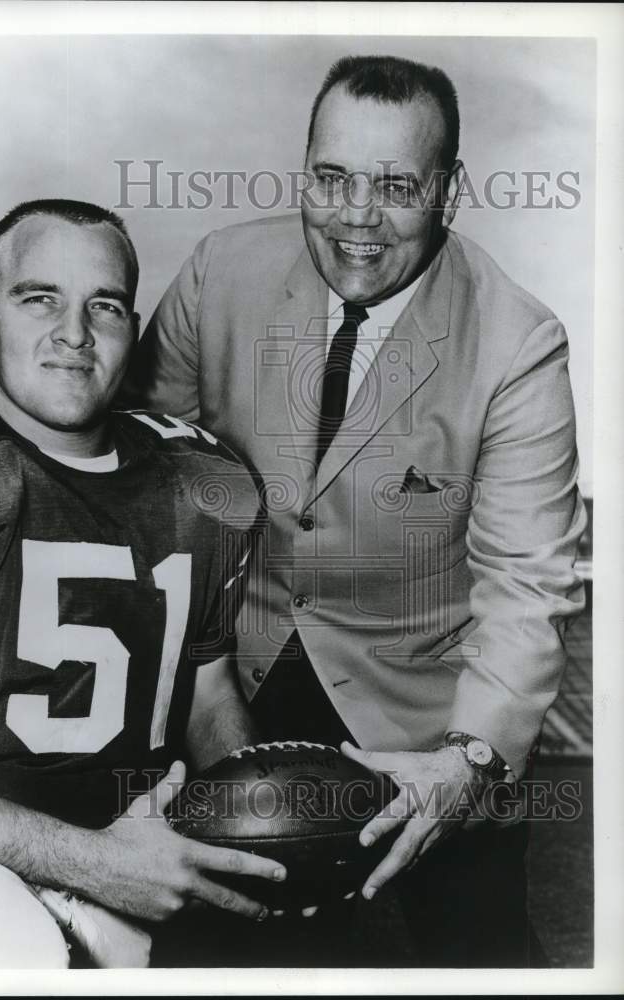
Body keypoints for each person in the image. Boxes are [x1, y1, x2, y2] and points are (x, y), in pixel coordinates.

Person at [120, 55, 587, 966]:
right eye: (330, 178)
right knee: (211, 956)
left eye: (395, 186)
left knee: (484, 956)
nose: (356, 218)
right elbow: (143, 474)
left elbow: (528, 584)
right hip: (236, 666)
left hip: (428, 703)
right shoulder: (223, 270)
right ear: (302, 167)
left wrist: (470, 762)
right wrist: (186, 680)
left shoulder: (519, 342)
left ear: (448, 192)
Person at [0, 199, 287, 970]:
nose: (74, 333)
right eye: (39, 298)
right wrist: (89, 863)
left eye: (106, 307)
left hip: (135, 854)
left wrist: (260, 823)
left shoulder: (202, 478)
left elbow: (208, 693)